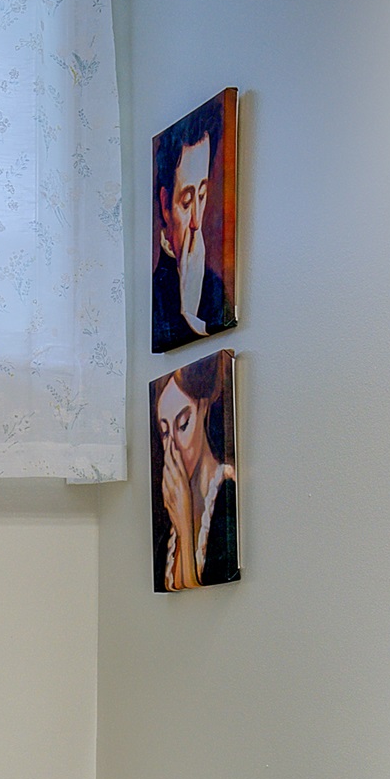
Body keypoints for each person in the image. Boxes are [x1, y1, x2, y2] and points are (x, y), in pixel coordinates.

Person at [151, 358, 238, 590]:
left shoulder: (227, 499)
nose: (174, 448)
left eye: (183, 424)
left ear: (203, 408)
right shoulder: (164, 542)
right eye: (165, 432)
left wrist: (185, 527)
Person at [152, 110, 233, 350]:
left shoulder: (216, 288)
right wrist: (186, 311)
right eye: (187, 202)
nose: (197, 222)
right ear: (166, 205)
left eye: (202, 195)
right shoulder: (155, 298)